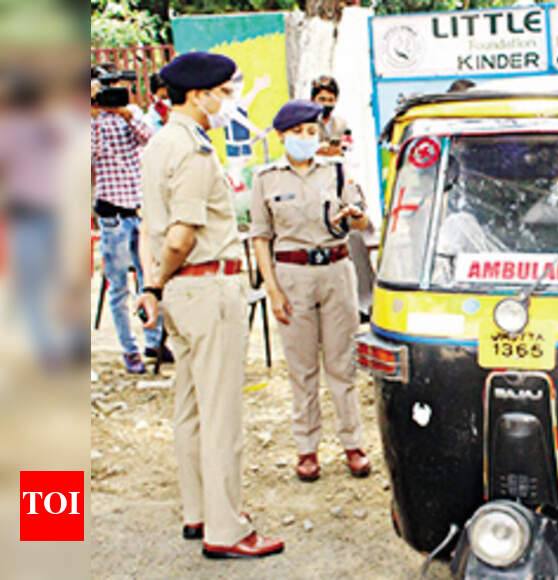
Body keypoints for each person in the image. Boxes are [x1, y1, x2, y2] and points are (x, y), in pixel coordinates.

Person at [136, 51, 284, 559]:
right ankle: (227, 529)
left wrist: (154, 286)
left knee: (191, 409)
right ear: (198, 96)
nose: (228, 102)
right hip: (206, 285)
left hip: (181, 292)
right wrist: (160, 279)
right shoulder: (194, 152)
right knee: (221, 415)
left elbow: (149, 229)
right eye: (223, 93)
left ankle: (197, 511)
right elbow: (181, 236)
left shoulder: (159, 144)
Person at [249, 99, 373, 482]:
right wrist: (272, 290)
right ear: (281, 136)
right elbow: (260, 237)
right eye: (297, 132)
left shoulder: (337, 171)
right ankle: (306, 449)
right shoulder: (266, 179)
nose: (305, 138)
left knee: (342, 365)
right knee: (302, 369)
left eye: (311, 132)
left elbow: (362, 222)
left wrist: (355, 216)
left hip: (336, 271)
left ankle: (353, 444)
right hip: (292, 275)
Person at [91, 68, 168, 374]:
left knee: (150, 279)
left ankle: (154, 341)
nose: (109, 94)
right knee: (119, 287)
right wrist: (93, 115)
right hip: (112, 215)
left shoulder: (132, 113)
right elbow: (90, 152)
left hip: (139, 209)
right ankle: (129, 349)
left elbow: (150, 139)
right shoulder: (88, 120)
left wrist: (125, 114)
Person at [310, 75, 348, 156]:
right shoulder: (306, 125)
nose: (326, 104)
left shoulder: (342, 124)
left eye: (330, 100)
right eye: (322, 99)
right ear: (312, 99)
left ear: (336, 100)